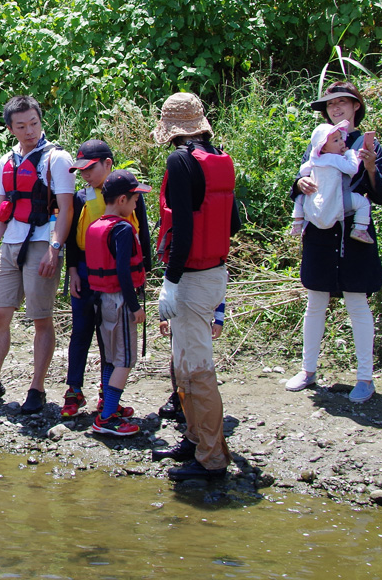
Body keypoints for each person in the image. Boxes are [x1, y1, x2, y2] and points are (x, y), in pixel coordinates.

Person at [150, 93, 241, 480]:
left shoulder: (179, 160)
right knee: (186, 364)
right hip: (214, 273)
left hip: (190, 278)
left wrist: (170, 282)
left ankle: (211, 458)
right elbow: (233, 222)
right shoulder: (219, 158)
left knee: (198, 369)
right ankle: (193, 439)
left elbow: (184, 228)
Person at [283, 82, 382, 403]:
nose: (336, 108)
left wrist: (370, 167)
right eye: (331, 104)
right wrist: (299, 183)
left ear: (356, 106)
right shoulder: (319, 140)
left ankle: (365, 378)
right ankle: (308, 370)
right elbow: (301, 181)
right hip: (319, 236)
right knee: (315, 302)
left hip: (355, 239)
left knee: (357, 304)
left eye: (343, 102)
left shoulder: (368, 146)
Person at [0, 95, 74, 414]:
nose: (29, 131)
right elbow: (3, 210)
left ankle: (37, 388)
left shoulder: (57, 158)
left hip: (44, 241)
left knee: (41, 318)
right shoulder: (7, 161)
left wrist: (55, 248)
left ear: (41, 122)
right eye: (21, 126)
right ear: (10, 128)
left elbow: (67, 210)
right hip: (11, 244)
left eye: (34, 123)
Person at [62, 139, 150, 420]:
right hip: (87, 270)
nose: (86, 175)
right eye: (82, 171)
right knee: (81, 331)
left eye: (91, 169)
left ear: (108, 164)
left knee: (109, 335)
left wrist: (144, 272)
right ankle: (73, 390)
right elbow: (73, 240)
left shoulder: (130, 194)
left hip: (118, 274)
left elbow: (143, 234)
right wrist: (73, 271)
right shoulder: (80, 197)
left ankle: (106, 393)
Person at [84, 170, 151, 437]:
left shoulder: (96, 225)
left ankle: (108, 405)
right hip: (120, 301)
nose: (137, 204)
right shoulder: (122, 229)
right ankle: (108, 417)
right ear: (122, 199)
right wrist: (136, 307)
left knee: (110, 357)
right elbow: (124, 273)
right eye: (135, 199)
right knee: (124, 360)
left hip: (101, 302)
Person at [289, 121, 374, 243]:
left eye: (340, 138)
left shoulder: (314, 160)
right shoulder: (336, 158)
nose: (341, 142)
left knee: (300, 199)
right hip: (338, 199)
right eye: (336, 141)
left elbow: (303, 170)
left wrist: (303, 179)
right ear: (323, 147)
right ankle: (360, 229)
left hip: (316, 199)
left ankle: (297, 222)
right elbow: (352, 168)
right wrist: (350, 154)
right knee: (363, 203)